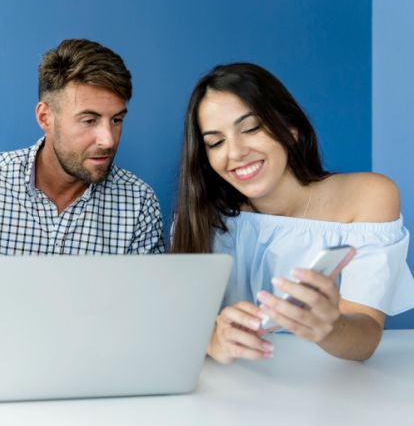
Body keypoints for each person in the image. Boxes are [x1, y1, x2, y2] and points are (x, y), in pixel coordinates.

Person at [171, 62, 414, 363]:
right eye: (216, 142)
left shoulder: (369, 196)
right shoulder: (201, 215)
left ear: (291, 128)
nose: (235, 153)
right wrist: (211, 341)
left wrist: (330, 327)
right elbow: (175, 327)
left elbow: (365, 338)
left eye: (251, 128)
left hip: (333, 384)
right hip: (235, 380)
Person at [0, 38, 166, 340]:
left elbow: (147, 310)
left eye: (116, 120)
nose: (108, 139)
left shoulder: (139, 202)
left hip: (94, 359)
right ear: (45, 117)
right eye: (89, 120)